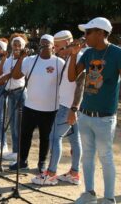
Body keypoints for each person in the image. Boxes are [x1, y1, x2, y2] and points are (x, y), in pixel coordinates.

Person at [68, 17, 121, 204]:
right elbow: (72, 77)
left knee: (105, 157)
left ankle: (109, 198)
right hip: (85, 114)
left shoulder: (119, 54)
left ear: (100, 33)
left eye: (88, 32)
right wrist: (73, 54)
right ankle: (89, 193)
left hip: (105, 117)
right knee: (87, 155)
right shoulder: (87, 54)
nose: (84, 36)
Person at [31, 30, 85, 185]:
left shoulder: (78, 57)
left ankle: (51, 174)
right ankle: (74, 173)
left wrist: (73, 109)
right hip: (69, 106)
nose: (57, 50)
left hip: (68, 107)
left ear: (67, 43)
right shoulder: (69, 57)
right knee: (75, 140)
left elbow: (81, 85)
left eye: (59, 47)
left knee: (55, 137)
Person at [9, 34, 65, 172]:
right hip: (30, 106)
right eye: (42, 43)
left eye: (47, 43)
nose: (44, 45)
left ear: (53, 46)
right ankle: (22, 161)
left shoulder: (59, 62)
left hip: (50, 109)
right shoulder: (30, 60)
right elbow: (16, 76)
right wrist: (21, 58)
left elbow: (65, 83)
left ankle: (42, 163)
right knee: (25, 135)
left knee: (45, 137)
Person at [0, 34, 28, 160]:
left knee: (17, 125)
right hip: (10, 93)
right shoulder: (9, 59)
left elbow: (15, 76)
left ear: (23, 47)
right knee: (12, 125)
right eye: (14, 45)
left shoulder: (25, 60)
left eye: (19, 45)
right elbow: (0, 73)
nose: (16, 47)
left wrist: (20, 57)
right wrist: (4, 59)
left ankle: (19, 152)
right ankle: (15, 151)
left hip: (19, 93)